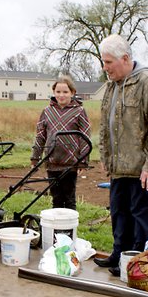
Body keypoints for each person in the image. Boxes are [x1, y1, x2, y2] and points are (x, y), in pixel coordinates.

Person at [92, 34, 148, 276]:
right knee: (119, 212)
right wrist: (105, 156)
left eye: (108, 62)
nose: (105, 68)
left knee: (141, 216)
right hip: (118, 166)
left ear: (125, 59)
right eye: (103, 62)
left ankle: (137, 263)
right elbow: (105, 124)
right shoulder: (111, 86)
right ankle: (119, 254)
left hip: (141, 168)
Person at [31, 75, 91, 210]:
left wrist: (83, 161)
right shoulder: (47, 111)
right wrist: (35, 157)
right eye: (58, 92)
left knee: (69, 199)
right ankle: (56, 228)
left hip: (70, 163)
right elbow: (40, 135)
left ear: (72, 93)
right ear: (54, 92)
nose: (61, 95)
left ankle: (70, 229)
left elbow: (85, 137)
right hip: (52, 162)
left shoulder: (79, 111)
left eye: (65, 92)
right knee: (56, 199)